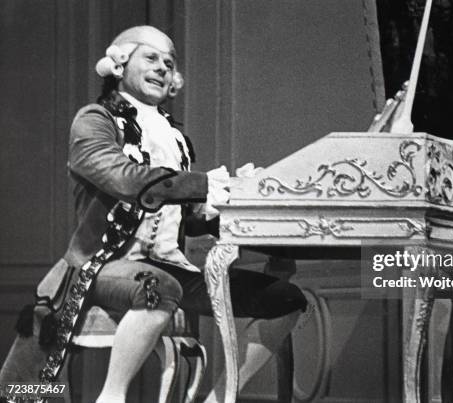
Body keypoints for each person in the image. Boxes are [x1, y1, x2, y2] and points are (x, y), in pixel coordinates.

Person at [0, 25, 306, 403]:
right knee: (158, 287)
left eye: (169, 62)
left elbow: (185, 218)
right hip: (104, 264)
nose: (162, 67)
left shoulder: (173, 136)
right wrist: (201, 184)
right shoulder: (94, 121)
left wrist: (238, 197)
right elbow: (125, 179)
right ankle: (111, 398)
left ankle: (216, 397)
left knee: (285, 297)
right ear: (119, 64)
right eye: (151, 57)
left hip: (171, 265)